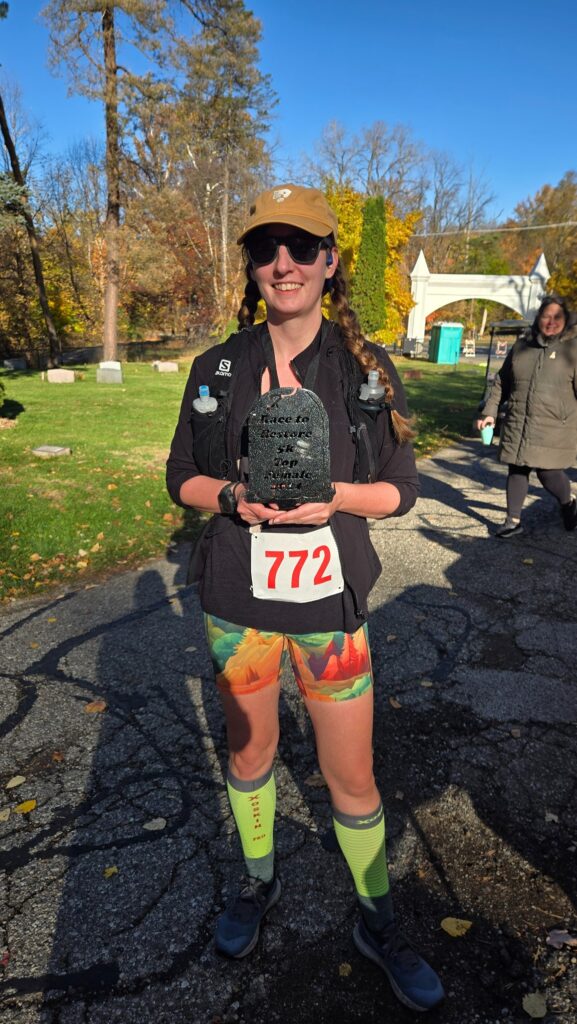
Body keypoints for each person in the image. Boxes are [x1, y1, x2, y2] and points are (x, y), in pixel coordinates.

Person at [167, 184, 444, 1012]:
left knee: (348, 776)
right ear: (251, 267)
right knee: (250, 757)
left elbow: (402, 487)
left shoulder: (365, 368)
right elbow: (179, 476)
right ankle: (258, 884)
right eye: (263, 248)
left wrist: (336, 500)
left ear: (329, 261)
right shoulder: (217, 368)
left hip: (329, 609)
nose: (280, 262)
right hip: (234, 600)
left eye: (298, 246)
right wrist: (228, 499)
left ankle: (375, 918)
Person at [477, 294, 577, 537]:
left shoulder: (572, 350)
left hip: (554, 427)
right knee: (517, 468)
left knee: (548, 473)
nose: (551, 321)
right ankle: (513, 520)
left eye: (557, 316)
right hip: (518, 422)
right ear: (538, 318)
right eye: (546, 316)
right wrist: (490, 412)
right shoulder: (522, 347)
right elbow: (502, 381)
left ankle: (569, 503)